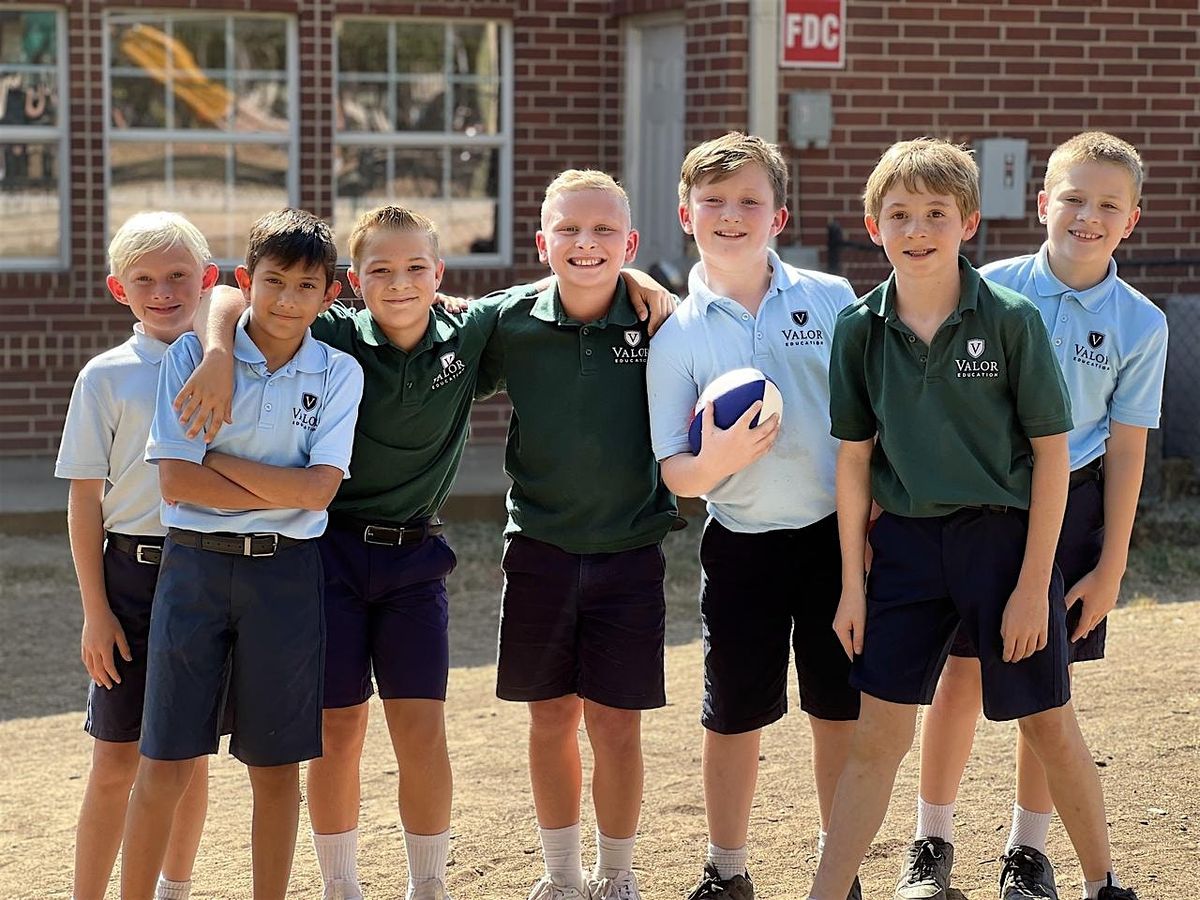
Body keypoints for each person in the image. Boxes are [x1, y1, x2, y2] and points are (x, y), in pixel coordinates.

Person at [174, 205, 676, 900]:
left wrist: (638, 277)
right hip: (330, 555)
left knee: (422, 729)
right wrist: (219, 351)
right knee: (337, 728)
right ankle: (341, 886)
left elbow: (568, 285)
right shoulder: (331, 331)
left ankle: (428, 886)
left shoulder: (471, 331)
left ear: (439, 276)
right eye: (380, 270)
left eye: (416, 269)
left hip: (417, 558)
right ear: (350, 283)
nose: (400, 283)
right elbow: (230, 294)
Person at [808, 138, 1138, 900]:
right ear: (872, 225)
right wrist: (853, 587)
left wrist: (1032, 586)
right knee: (876, 741)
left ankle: (1104, 886)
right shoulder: (859, 329)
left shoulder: (1013, 320)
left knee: (1050, 723)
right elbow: (854, 462)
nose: (917, 228)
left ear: (970, 223)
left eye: (935, 213)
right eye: (900, 214)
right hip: (905, 551)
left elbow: (1054, 458)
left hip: (1002, 543)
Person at [896, 132, 1168, 900]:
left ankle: (1028, 854)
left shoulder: (1142, 323)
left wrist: (1111, 564)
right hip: (982, 500)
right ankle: (932, 844)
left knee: (1045, 695)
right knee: (960, 675)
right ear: (1043, 203)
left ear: (1131, 221)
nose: (1087, 215)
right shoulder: (986, 286)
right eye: (1073, 198)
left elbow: (1126, 450)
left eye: (1107, 205)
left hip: (1074, 508)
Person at [119, 208, 364, 900]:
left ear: (331, 293)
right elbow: (176, 478)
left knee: (277, 768)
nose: (287, 300)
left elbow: (320, 493)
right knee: (164, 761)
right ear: (244, 281)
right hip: (193, 569)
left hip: (286, 578)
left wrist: (222, 462)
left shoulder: (339, 373)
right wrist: (280, 487)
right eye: (273, 282)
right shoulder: (193, 357)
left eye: (305, 286)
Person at [645, 132, 862, 900]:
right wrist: (719, 464)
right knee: (733, 713)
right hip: (739, 546)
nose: (730, 216)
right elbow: (674, 467)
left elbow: (868, 423)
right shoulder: (676, 333)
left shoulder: (833, 301)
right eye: (714, 202)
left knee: (838, 710)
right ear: (685, 214)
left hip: (835, 542)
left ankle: (841, 868)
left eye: (749, 201)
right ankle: (726, 869)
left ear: (780, 216)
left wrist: (866, 533)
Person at [475, 169, 679, 900]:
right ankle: (562, 875)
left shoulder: (663, 320)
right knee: (551, 720)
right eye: (568, 230)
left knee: (618, 728)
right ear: (542, 242)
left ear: (628, 243)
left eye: (602, 232)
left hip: (630, 553)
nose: (585, 244)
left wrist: (656, 290)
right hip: (539, 551)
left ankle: (616, 875)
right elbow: (427, 326)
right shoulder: (507, 322)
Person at [56, 211, 219, 900]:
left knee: (188, 762)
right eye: (144, 279)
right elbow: (84, 503)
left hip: (211, 574)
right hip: (130, 577)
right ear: (118, 289)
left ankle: (171, 891)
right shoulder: (106, 378)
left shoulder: (232, 365)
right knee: (116, 762)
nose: (163, 290)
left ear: (206, 280)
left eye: (179, 275)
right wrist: (96, 612)